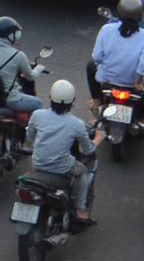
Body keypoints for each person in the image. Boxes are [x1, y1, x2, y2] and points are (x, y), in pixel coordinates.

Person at [22, 79, 97, 226]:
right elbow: (88, 150)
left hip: (38, 163)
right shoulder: (77, 124)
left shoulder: (37, 115)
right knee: (82, 172)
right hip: (62, 168)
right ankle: (80, 209)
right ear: (72, 102)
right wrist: (98, 138)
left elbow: (29, 138)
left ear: (50, 98)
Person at [91, 0, 144, 113]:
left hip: (107, 81)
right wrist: (138, 81)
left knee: (90, 67)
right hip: (134, 85)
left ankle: (96, 103)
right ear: (141, 15)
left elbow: (97, 57)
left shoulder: (106, 29)